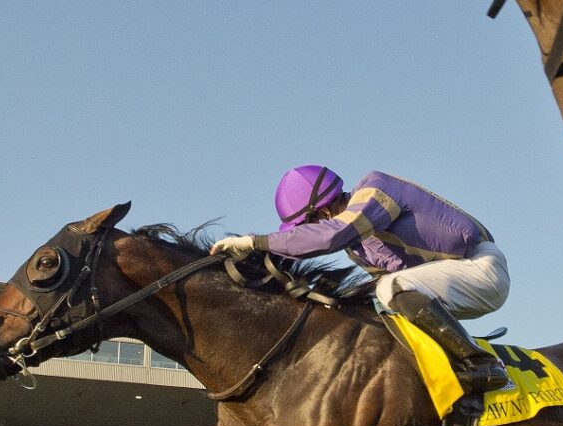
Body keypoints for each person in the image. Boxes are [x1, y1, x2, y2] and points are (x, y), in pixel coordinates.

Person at [211, 165, 511, 395]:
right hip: (449, 282)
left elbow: (327, 237)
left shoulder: (375, 191)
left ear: (323, 210)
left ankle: (481, 364)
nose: (307, 232)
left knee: (390, 288)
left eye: (306, 225)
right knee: (379, 301)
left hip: (481, 268)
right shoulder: (359, 246)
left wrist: (254, 242)